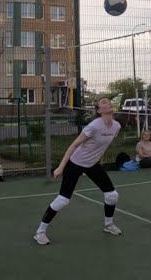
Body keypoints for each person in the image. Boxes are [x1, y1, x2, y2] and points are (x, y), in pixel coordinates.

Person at [34, 98, 123, 245]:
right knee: (63, 200)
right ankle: (40, 232)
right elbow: (73, 145)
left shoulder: (116, 127)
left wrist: (97, 158)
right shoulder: (93, 126)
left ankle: (108, 224)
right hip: (75, 163)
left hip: (93, 164)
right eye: (103, 102)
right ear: (99, 111)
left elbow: (101, 146)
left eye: (108, 101)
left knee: (112, 195)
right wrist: (61, 167)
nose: (107, 103)